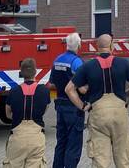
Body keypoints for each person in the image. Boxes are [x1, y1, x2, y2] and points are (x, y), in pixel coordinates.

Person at [65, 34, 129, 168]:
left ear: (97, 47)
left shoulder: (88, 66)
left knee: (100, 161)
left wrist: (83, 106)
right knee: (123, 160)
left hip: (98, 114)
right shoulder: (124, 63)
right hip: (119, 113)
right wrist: (127, 96)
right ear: (112, 45)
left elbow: (69, 89)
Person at [2, 57, 51, 167]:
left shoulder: (13, 91)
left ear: (21, 73)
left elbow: (8, 114)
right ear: (35, 71)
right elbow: (45, 109)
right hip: (36, 137)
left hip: (17, 137)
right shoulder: (44, 91)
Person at [49, 32, 84, 168]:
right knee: (73, 145)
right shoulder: (77, 62)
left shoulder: (57, 59)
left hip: (60, 106)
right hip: (73, 107)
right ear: (79, 45)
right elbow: (81, 88)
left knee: (61, 143)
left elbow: (51, 84)